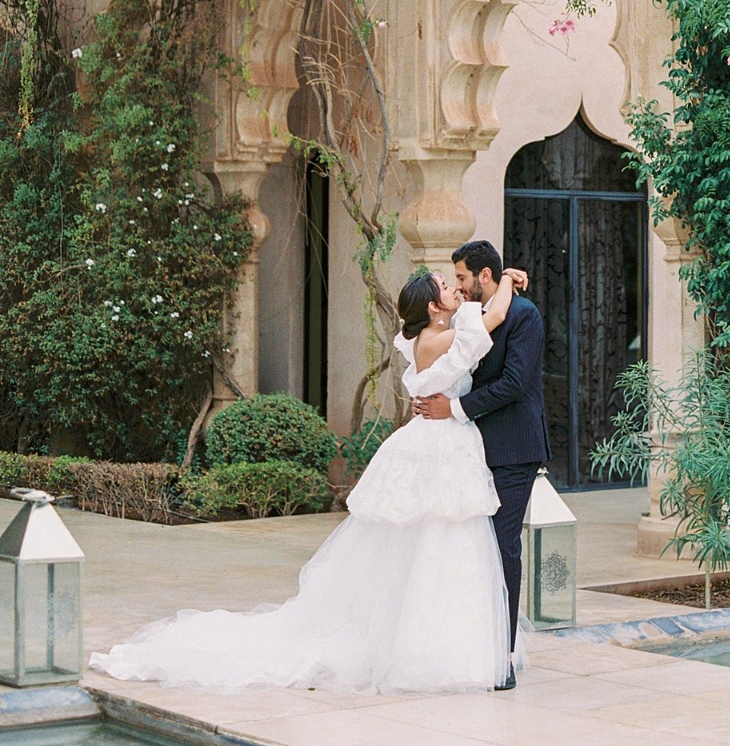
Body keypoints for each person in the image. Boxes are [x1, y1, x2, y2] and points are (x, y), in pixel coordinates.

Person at [90, 266, 525, 693]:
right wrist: (507, 279)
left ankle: (440, 640)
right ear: (433, 308)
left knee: (441, 538)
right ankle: (432, 648)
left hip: (441, 440)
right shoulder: (438, 338)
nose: (454, 290)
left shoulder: (424, 337)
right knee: (439, 533)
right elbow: (496, 317)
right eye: (446, 288)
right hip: (438, 445)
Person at [412, 237, 551, 688]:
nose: (460, 286)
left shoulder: (525, 315)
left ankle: (503, 657)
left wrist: (451, 409)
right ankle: (468, 646)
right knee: (468, 549)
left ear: (483, 277)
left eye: (463, 277)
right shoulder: (471, 315)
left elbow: (513, 384)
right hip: (469, 452)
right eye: (454, 280)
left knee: (502, 547)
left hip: (513, 450)